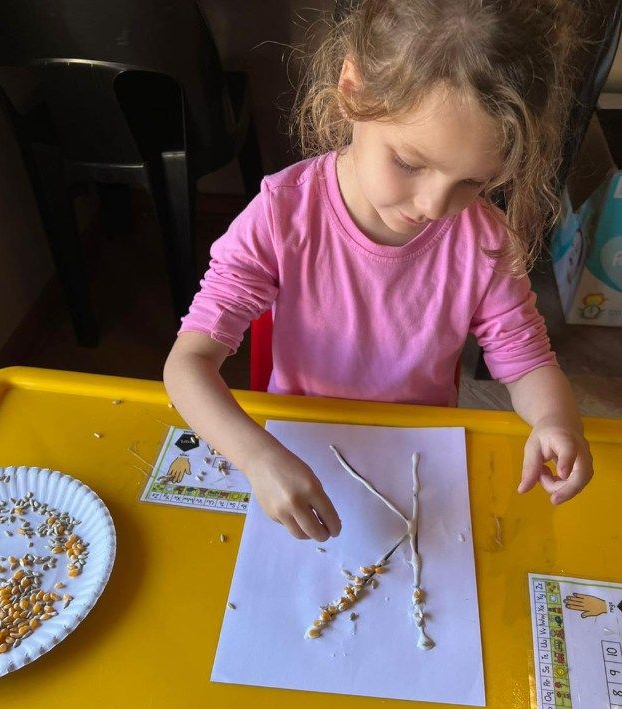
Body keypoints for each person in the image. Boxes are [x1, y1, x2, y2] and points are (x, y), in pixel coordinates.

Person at [164, 0, 594, 543]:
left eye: (473, 183)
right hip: (297, 450)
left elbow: (528, 361)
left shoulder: (484, 240)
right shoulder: (281, 214)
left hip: (417, 454)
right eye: (410, 164)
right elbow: (187, 365)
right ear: (353, 90)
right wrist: (256, 457)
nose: (436, 206)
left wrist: (558, 421)